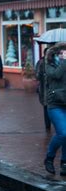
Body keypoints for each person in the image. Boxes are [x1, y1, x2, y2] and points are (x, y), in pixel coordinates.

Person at [44, 46, 66, 176]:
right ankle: (49, 158)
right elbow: (56, 75)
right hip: (55, 104)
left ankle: (64, 162)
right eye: (63, 52)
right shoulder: (49, 64)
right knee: (63, 134)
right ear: (57, 53)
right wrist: (64, 62)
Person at [35, 49, 52, 131]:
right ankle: (50, 125)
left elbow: (37, 75)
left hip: (45, 89)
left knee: (46, 107)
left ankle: (48, 126)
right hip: (50, 89)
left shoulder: (41, 62)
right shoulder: (53, 62)